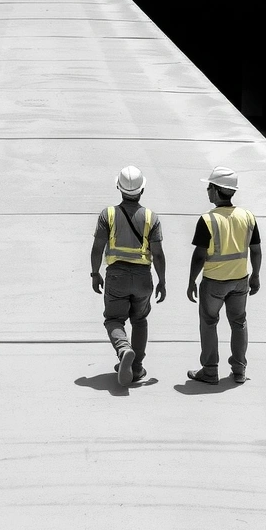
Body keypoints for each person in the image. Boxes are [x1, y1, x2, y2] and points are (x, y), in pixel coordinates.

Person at [90, 165, 167, 385]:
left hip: (117, 276)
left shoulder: (108, 214)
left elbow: (97, 248)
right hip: (143, 277)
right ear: (142, 190)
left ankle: (124, 349)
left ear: (118, 187)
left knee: (114, 319)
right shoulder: (152, 217)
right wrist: (162, 281)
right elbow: (159, 254)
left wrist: (95, 273)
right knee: (140, 320)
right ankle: (137, 367)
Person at [186, 166, 261, 385]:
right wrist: (255, 275)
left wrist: (191, 280)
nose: (207, 191)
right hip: (240, 281)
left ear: (218, 190)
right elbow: (255, 249)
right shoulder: (247, 216)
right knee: (239, 323)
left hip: (214, 283)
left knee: (209, 323)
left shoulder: (207, 220)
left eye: (210, 187)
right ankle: (239, 371)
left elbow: (199, 256)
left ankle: (210, 371)